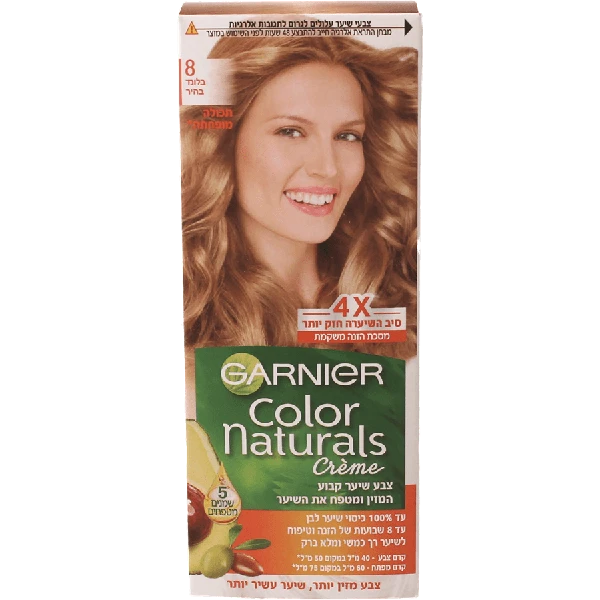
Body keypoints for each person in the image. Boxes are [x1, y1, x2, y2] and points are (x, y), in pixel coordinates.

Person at [180, 35, 418, 364]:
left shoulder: (405, 310)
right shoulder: (187, 319)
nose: (328, 167)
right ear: (224, 142)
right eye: (291, 131)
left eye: (347, 135)